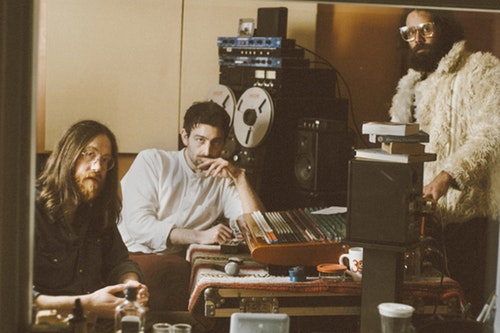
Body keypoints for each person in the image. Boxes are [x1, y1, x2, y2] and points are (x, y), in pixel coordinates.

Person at [389, 9, 500, 316]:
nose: (417, 39)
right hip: (423, 224)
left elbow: (490, 133)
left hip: (471, 221)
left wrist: (447, 175)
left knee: (469, 311)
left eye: (426, 29)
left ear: (444, 27)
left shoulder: (481, 69)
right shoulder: (408, 87)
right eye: (409, 33)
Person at [118, 101, 265, 314]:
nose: (208, 150)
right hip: (131, 256)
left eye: (216, 142)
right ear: (185, 136)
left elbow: (256, 227)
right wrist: (199, 236)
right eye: (200, 140)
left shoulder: (224, 177)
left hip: (176, 261)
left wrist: (239, 177)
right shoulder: (152, 161)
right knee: (182, 275)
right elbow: (139, 226)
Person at [33, 120, 149, 332]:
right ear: (69, 155)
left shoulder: (98, 212)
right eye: (89, 154)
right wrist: (86, 303)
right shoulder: (29, 212)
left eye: (105, 161)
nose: (98, 168)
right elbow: (19, 299)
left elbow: (120, 262)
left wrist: (130, 284)